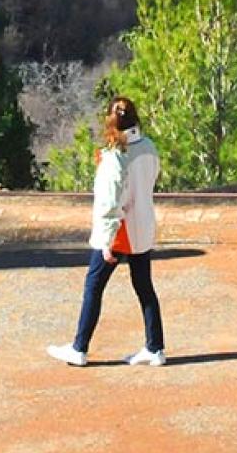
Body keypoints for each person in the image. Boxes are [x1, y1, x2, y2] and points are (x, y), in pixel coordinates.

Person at [46, 97, 165, 368]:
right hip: (143, 227)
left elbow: (111, 202)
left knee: (94, 286)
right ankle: (155, 348)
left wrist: (108, 241)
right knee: (144, 287)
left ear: (111, 126)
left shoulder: (115, 157)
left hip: (120, 232)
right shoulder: (149, 148)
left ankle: (79, 349)